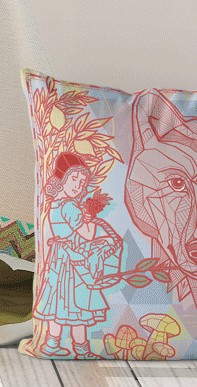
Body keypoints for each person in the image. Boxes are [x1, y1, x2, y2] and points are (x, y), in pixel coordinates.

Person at [32, 151, 121, 358]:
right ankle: (81, 348)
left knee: (58, 302)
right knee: (78, 304)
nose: (78, 185)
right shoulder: (70, 206)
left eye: (82, 182)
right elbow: (87, 234)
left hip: (59, 259)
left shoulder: (56, 203)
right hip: (72, 261)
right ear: (62, 178)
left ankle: (52, 344)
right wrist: (90, 219)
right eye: (74, 179)